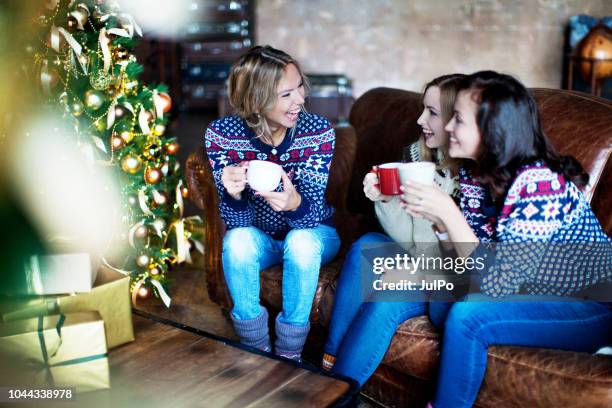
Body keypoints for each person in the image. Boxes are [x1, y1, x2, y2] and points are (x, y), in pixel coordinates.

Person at [401, 71, 612, 408]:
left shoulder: (539, 184)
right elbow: (466, 266)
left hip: (592, 304)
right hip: (533, 290)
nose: (450, 128)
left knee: (468, 316)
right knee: (445, 300)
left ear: (492, 130)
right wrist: (440, 222)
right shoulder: (474, 173)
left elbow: (496, 284)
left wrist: (450, 215)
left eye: (458, 119)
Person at [321, 74, 465, 382]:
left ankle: (336, 390)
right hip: (427, 258)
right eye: (422, 109)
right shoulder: (420, 157)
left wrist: (415, 268)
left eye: (432, 112)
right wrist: (387, 201)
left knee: (388, 296)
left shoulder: (473, 178)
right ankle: (329, 362)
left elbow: (460, 262)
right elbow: (413, 240)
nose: (420, 119)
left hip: (453, 278)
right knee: (366, 245)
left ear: (458, 119)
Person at [204, 45, 340, 360]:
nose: (301, 100)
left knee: (302, 241)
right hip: (261, 238)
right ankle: (257, 350)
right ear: (256, 99)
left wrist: (294, 202)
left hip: (316, 232)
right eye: (286, 94)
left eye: (300, 88)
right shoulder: (222, 135)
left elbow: (311, 217)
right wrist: (233, 193)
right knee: (237, 241)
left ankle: (290, 354)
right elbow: (236, 224)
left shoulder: (318, 131)